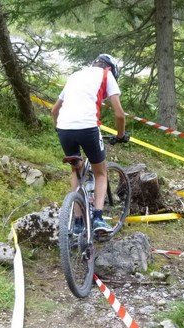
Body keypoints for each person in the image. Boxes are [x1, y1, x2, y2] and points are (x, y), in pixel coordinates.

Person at [51, 54, 127, 233]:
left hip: (64, 127)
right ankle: (98, 219)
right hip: (88, 127)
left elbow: (54, 110)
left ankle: (77, 223)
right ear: (110, 68)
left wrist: (59, 130)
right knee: (101, 173)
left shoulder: (75, 75)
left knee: (76, 171)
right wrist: (120, 135)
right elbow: (119, 114)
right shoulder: (106, 75)